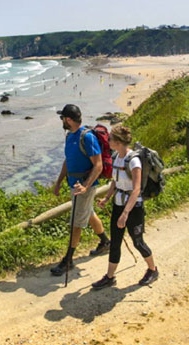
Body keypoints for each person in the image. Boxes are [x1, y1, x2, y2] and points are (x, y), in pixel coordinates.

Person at [92, 124, 158, 289]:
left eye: (111, 139)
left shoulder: (134, 161)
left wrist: (125, 213)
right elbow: (115, 181)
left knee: (138, 242)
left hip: (133, 208)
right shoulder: (116, 157)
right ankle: (109, 277)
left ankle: (153, 269)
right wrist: (107, 198)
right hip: (118, 205)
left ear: (119, 142)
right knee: (115, 242)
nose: (108, 141)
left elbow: (136, 189)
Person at [51, 104, 110, 276]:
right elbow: (67, 161)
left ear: (68, 120)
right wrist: (59, 182)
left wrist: (85, 186)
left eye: (63, 118)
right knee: (88, 213)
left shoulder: (87, 137)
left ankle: (68, 260)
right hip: (74, 185)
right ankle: (105, 242)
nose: (62, 120)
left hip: (83, 187)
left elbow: (98, 165)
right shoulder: (70, 136)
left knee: (76, 223)